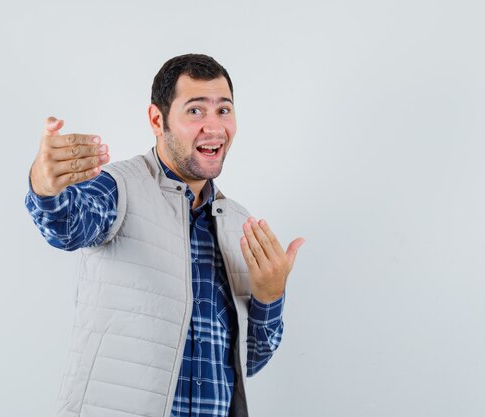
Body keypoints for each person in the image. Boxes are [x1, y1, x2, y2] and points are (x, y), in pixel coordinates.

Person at [25, 53, 304, 417]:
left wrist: (270, 297)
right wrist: (45, 188)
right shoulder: (119, 187)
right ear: (158, 120)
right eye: (195, 111)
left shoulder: (240, 224)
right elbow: (67, 226)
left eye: (223, 110)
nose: (214, 127)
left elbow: (246, 363)